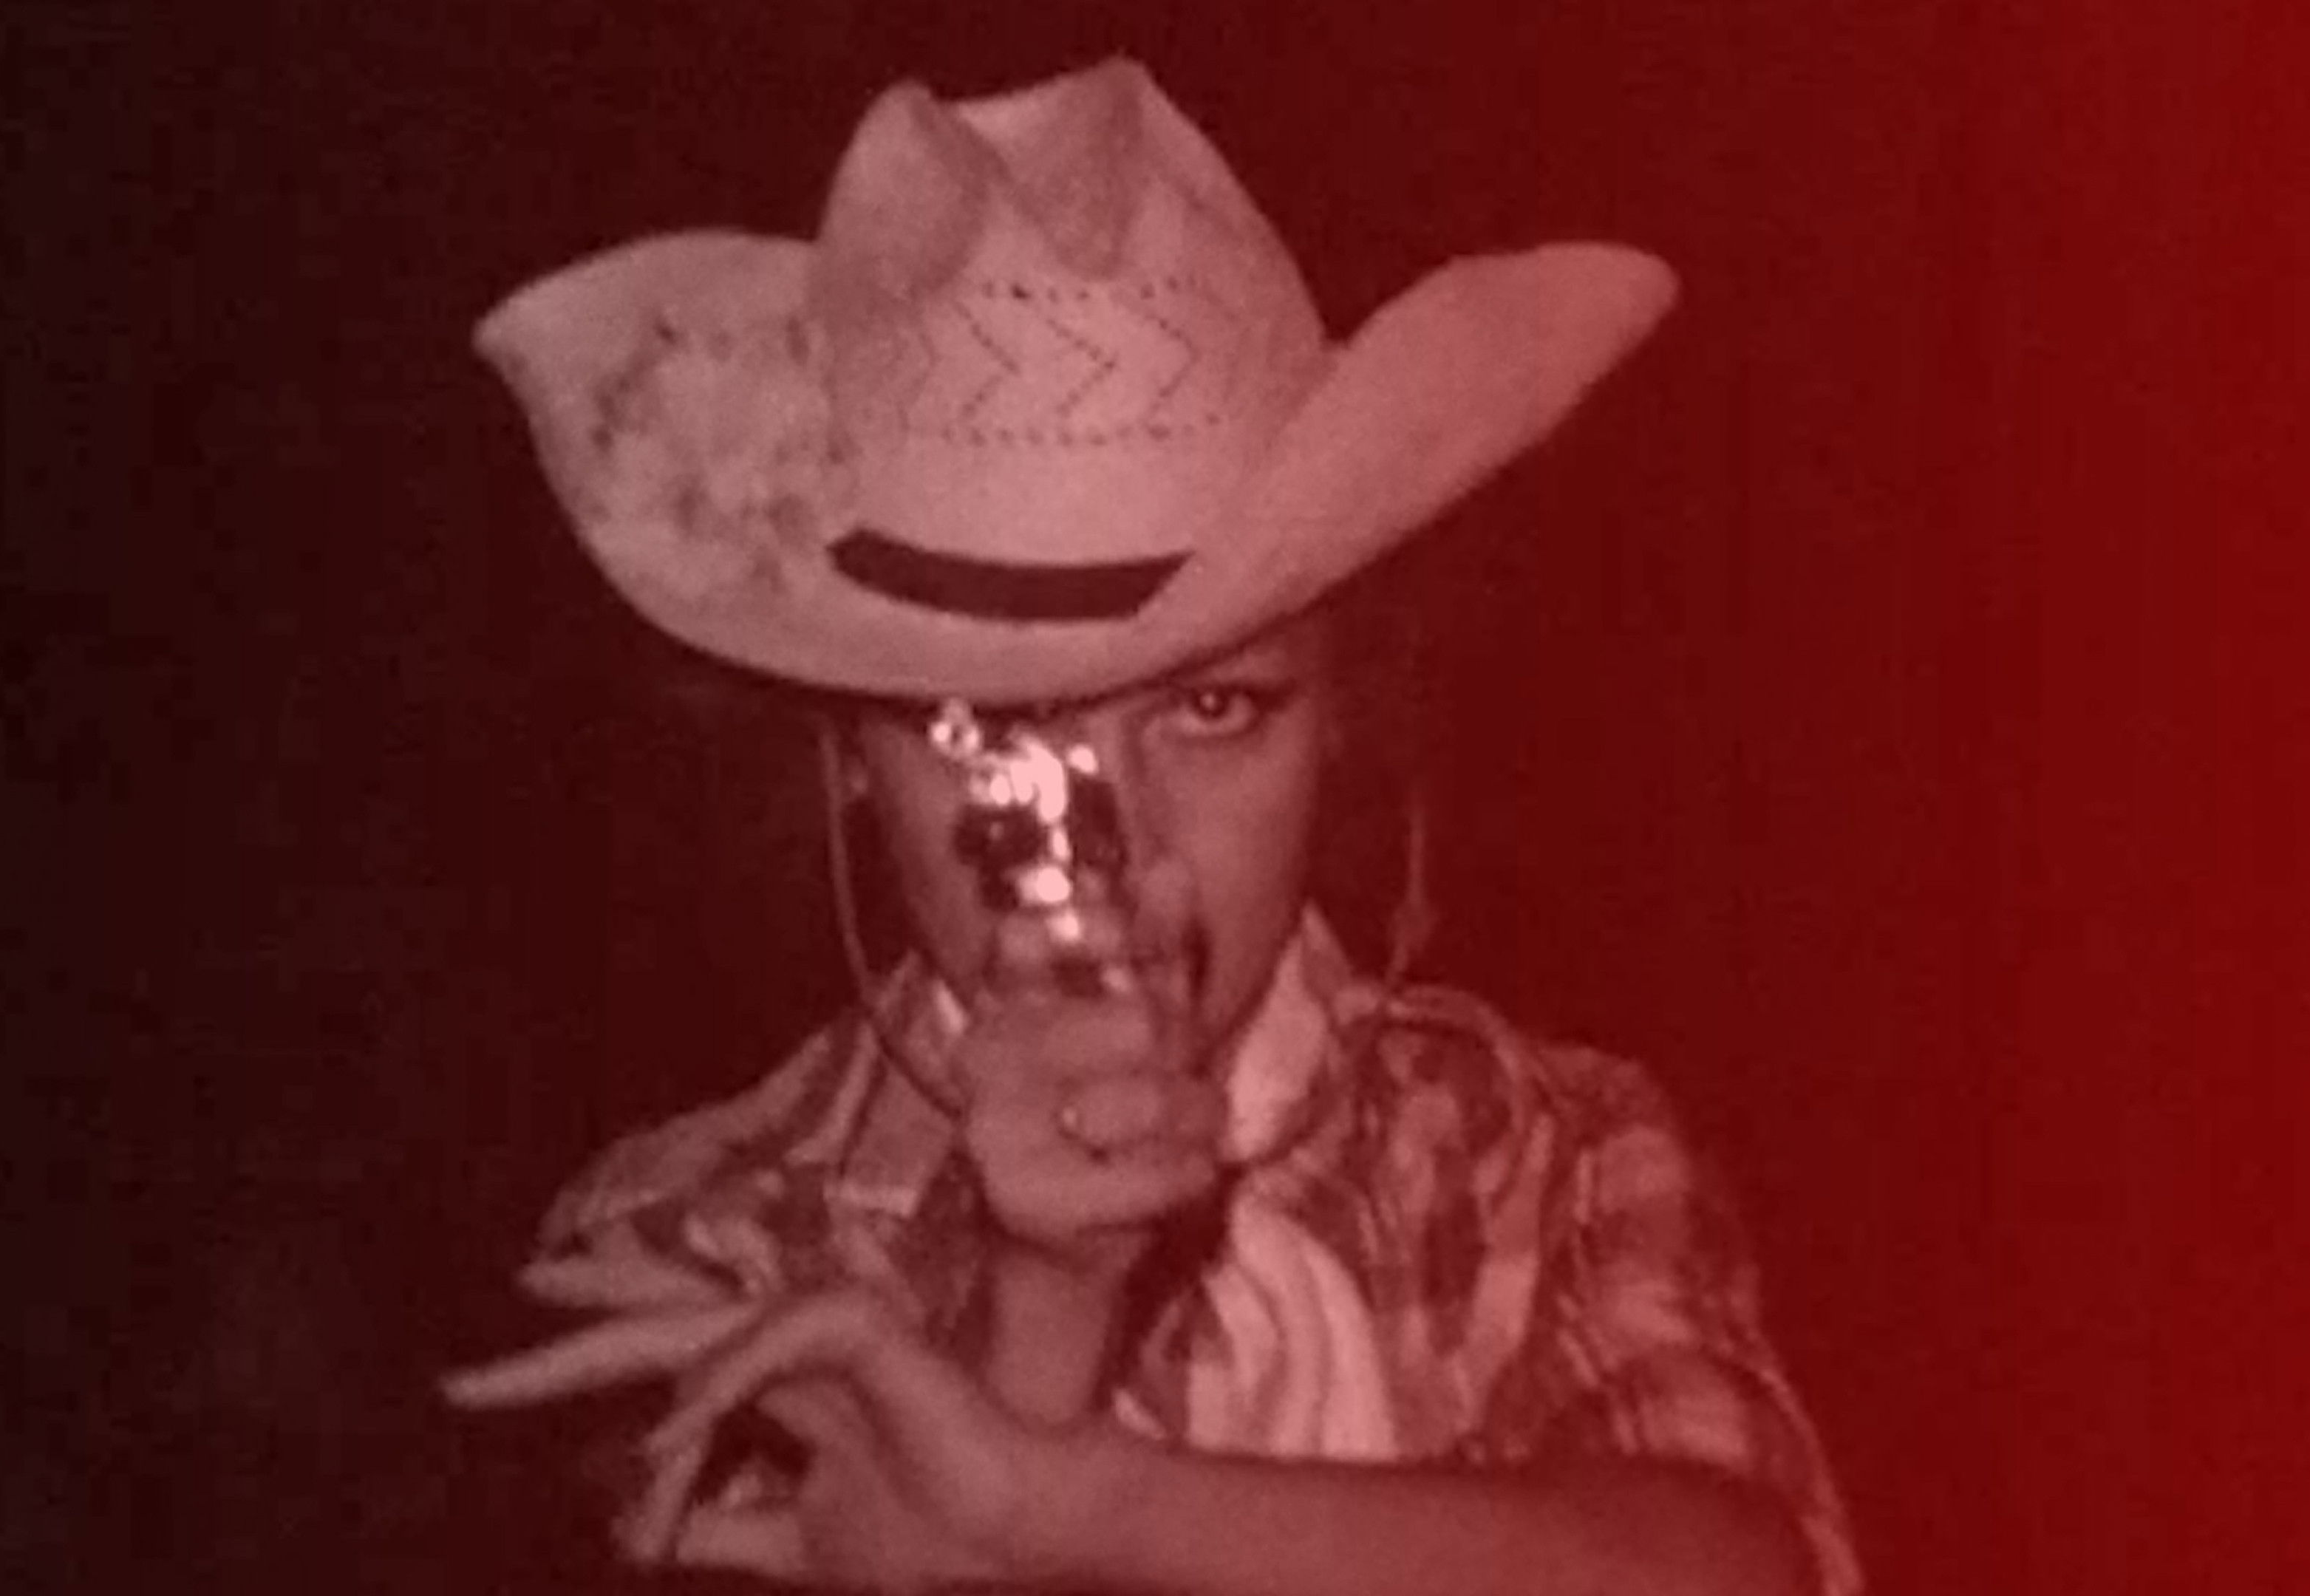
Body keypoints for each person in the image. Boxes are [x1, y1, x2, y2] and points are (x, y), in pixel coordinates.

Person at [443, 58, 1859, 1596]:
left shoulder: (1537, 1152)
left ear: (1347, 724)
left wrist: (1075, 1505)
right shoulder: (687, 1237)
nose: (1106, 848)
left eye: (1213, 709)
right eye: (990, 735)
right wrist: (1041, 1312)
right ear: (848, 750)